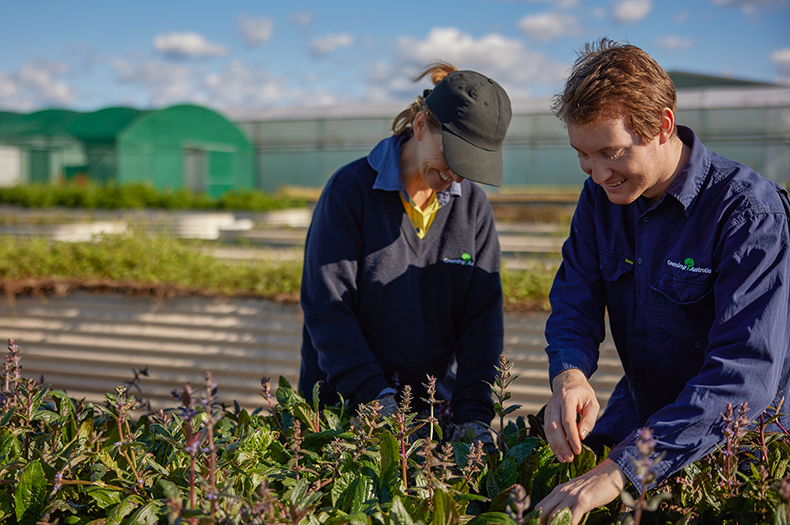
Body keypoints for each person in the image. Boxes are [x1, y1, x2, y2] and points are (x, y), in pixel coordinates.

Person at [536, 38, 790, 524]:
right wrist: (569, 377)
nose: (597, 173)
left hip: (745, 437)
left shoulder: (747, 215)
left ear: (662, 126)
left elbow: (744, 373)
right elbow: (574, 300)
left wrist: (619, 470)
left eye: (610, 153)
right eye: (582, 156)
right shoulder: (600, 200)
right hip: (648, 408)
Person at [299, 62, 512, 447]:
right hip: (343, 415)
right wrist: (375, 400)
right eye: (452, 157)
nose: (457, 176)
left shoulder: (473, 209)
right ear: (419, 127)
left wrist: (473, 414)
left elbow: (482, 322)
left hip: (432, 415)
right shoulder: (351, 193)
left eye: (470, 167)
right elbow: (327, 309)